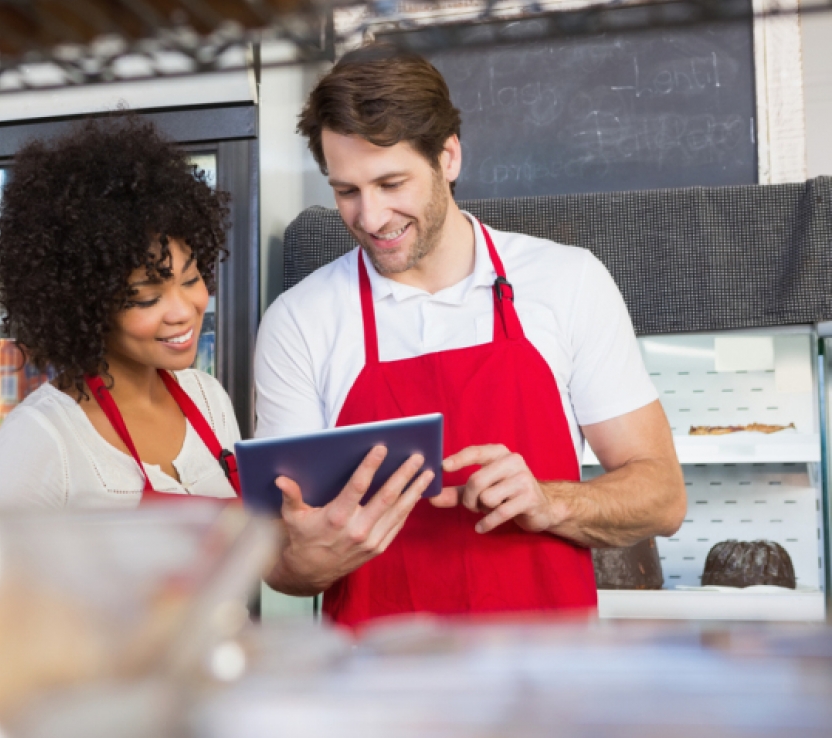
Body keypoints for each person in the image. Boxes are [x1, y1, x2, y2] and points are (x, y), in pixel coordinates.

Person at [254, 43, 687, 627]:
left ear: (448, 157)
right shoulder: (298, 322)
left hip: (545, 689)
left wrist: (551, 500)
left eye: (391, 183)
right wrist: (310, 557)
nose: (372, 217)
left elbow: (662, 496)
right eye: (346, 191)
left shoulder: (567, 281)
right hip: (377, 693)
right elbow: (280, 563)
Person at [0, 115, 241, 508]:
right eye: (147, 298)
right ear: (85, 305)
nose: (183, 311)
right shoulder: (37, 442)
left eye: (190, 280)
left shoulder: (208, 398)